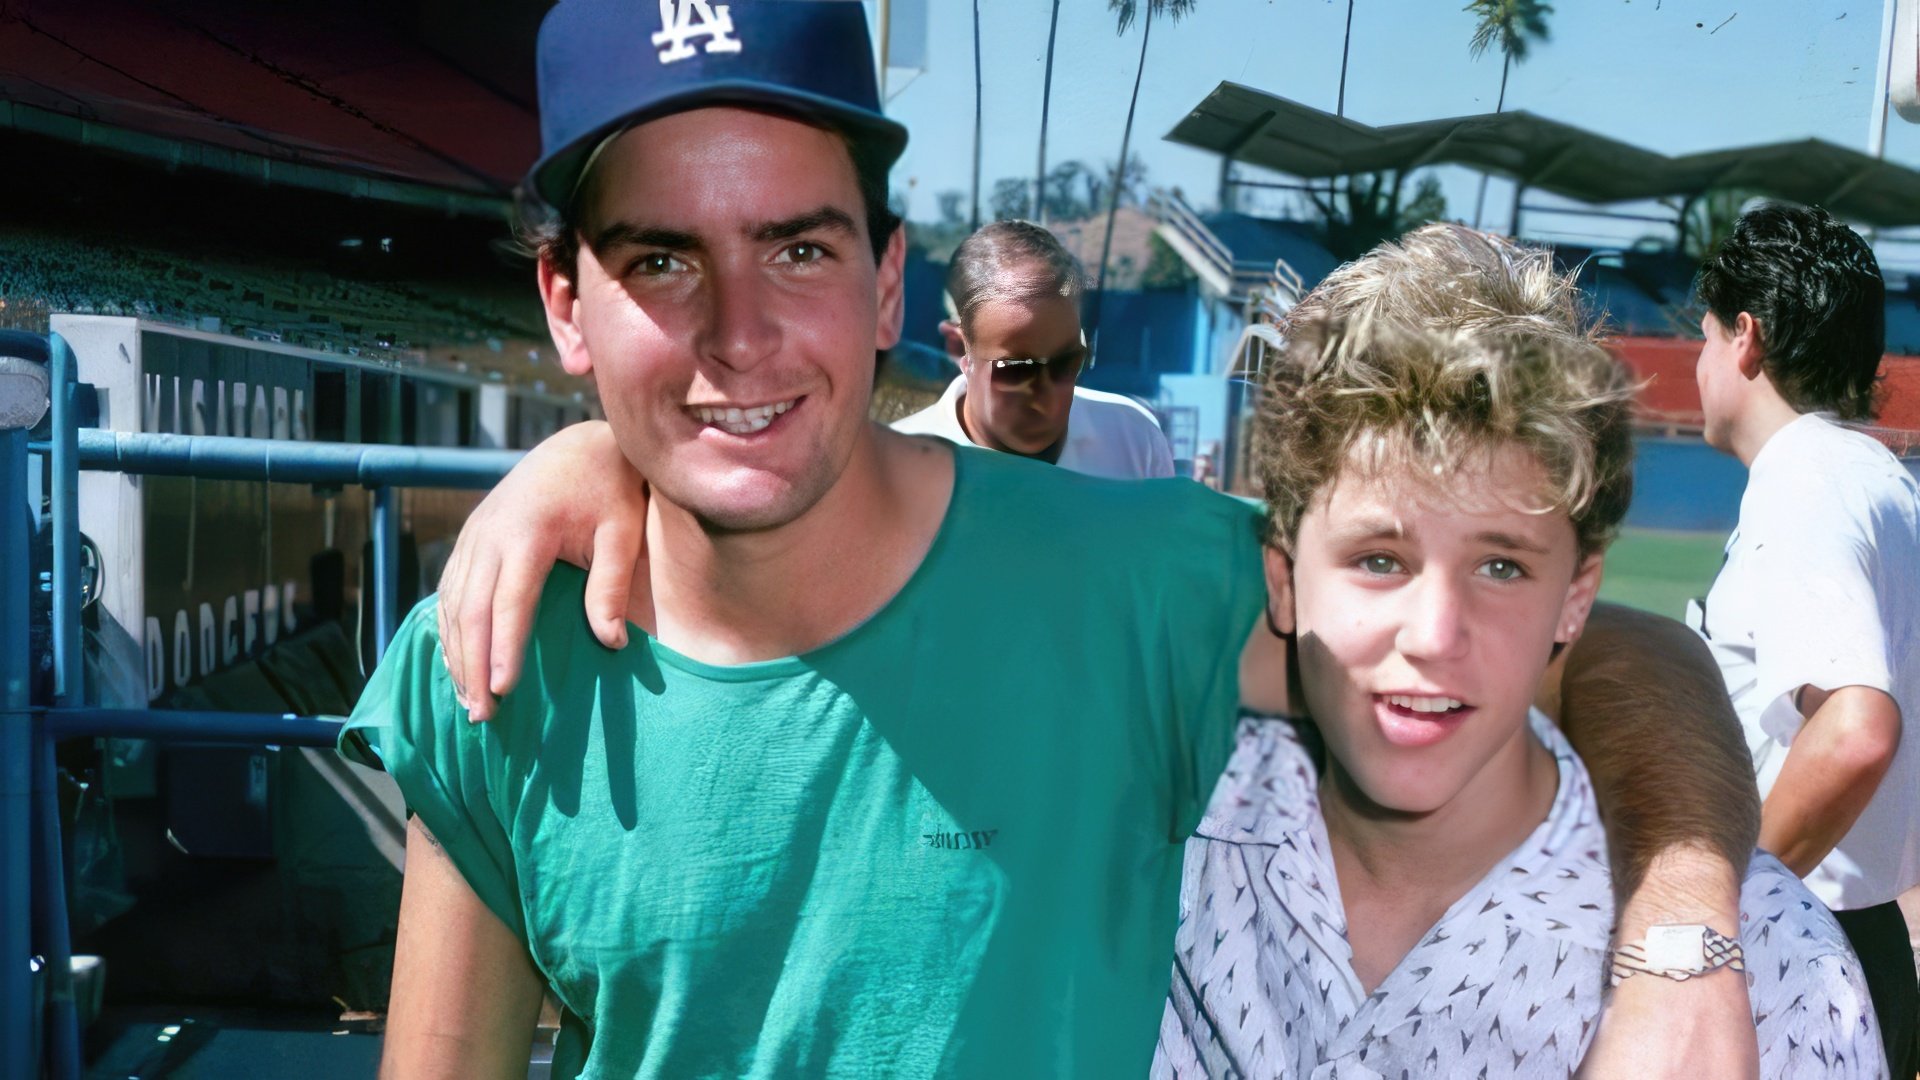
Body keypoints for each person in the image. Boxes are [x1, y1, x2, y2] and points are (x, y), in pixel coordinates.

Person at [346, 2, 1766, 1075]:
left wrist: (1682, 944)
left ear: (891, 279)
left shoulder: (1130, 582)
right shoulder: (494, 648)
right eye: (661, 260)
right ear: (564, 301)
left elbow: (1604, 655)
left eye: (798, 249)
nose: (737, 332)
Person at [1154, 225, 1882, 1078]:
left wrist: (1684, 924)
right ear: (1281, 577)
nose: (1434, 636)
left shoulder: (1771, 968)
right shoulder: (1151, 844)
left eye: (1500, 565)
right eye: (1379, 560)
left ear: (1576, 595)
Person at [1687, 202, 1920, 1077]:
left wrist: (1717, 908)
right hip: (1865, 949)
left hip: (1795, 961)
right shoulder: (1882, 482)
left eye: (1705, 336)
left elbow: (1856, 728)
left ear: (1744, 337)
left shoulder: (1803, 479)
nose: (1704, 359)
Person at [893, 220, 1176, 479]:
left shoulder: (1134, 441)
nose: (1047, 397)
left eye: (1067, 364)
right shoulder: (896, 471)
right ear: (959, 349)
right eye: (1018, 371)